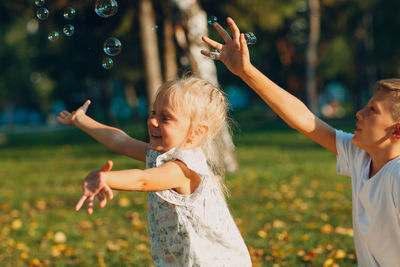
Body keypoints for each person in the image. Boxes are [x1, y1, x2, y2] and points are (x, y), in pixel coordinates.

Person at [201, 17, 400, 266]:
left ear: (397, 131)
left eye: (373, 111)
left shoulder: (397, 174)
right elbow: (304, 119)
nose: (359, 113)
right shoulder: (361, 155)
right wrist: (246, 71)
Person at [57, 77, 252, 267]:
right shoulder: (161, 154)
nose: (153, 122)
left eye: (165, 117)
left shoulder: (182, 169)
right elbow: (121, 141)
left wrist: (107, 178)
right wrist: (81, 120)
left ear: (196, 132)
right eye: (153, 112)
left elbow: (143, 180)